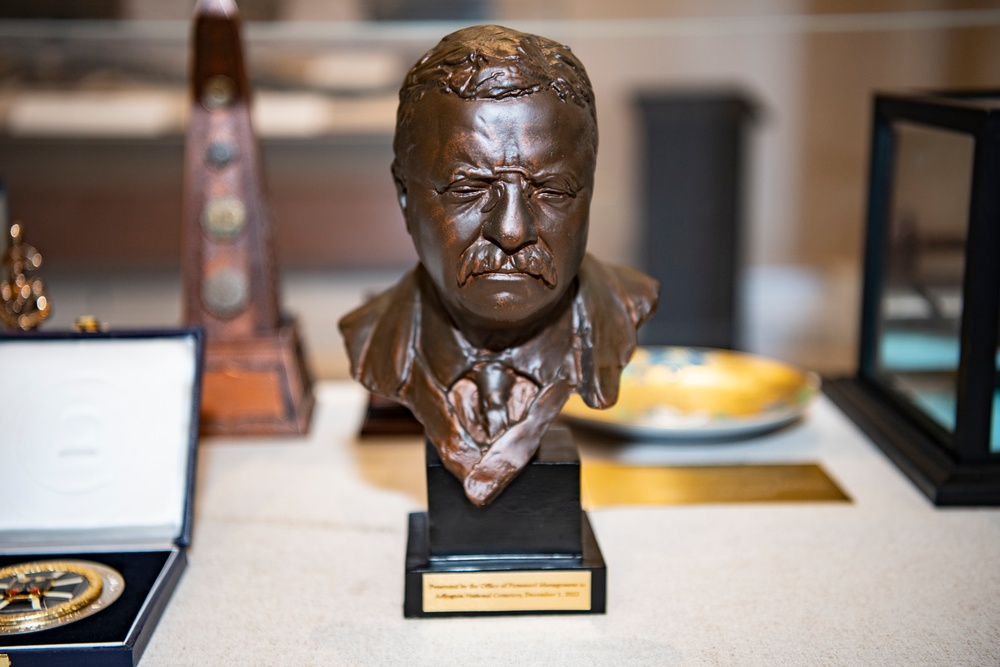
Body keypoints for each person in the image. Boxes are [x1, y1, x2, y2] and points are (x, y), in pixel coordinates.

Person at [340, 25, 658, 507]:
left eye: (551, 191)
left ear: (588, 194)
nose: (512, 231)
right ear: (405, 197)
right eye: (468, 189)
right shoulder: (371, 338)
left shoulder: (625, 300)